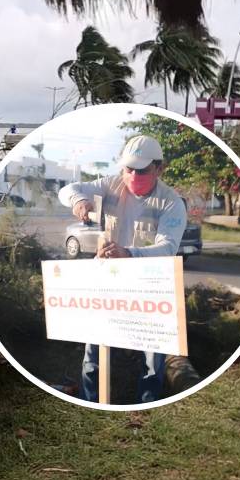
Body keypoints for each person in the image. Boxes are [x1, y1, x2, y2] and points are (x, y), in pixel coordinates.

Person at [57, 134, 187, 403]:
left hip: (150, 285)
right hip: (108, 280)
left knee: (153, 355)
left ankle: (147, 402)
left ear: (159, 168)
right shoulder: (110, 185)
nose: (133, 175)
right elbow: (66, 189)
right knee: (94, 348)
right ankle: (90, 398)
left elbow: (168, 248)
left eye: (142, 170)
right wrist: (78, 201)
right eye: (129, 169)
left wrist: (129, 253)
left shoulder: (171, 202)